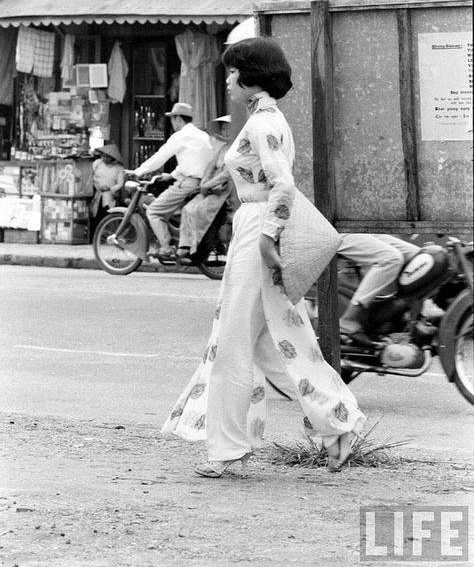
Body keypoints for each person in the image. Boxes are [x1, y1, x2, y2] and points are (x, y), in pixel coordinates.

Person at [162, 37, 366, 477]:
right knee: (273, 338)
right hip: (254, 228)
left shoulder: (262, 124)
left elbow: (283, 185)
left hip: (259, 228)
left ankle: (228, 449)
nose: (229, 78)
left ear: (251, 75)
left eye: (234, 71)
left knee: (234, 340)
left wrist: (269, 238)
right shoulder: (263, 119)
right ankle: (335, 421)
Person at [133, 102, 214, 258]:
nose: (172, 122)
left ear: (177, 118)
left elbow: (159, 157)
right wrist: (171, 175)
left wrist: (138, 171)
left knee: (154, 211)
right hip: (202, 181)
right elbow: (193, 161)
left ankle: (166, 247)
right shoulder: (202, 135)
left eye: (172, 119)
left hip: (188, 183)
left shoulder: (181, 136)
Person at [337, 233, 420, 345]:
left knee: (420, 257)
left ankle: (399, 319)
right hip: (333, 230)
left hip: (359, 229)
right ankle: (348, 320)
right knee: (391, 259)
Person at [176, 114, 232, 260]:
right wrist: (204, 183)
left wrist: (208, 184)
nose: (225, 131)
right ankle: (185, 245)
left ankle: (197, 248)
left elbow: (227, 173)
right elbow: (211, 167)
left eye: (228, 128)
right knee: (188, 208)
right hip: (211, 186)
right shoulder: (222, 148)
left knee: (200, 211)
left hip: (225, 189)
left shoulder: (237, 150)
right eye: (224, 128)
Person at [90, 143, 125, 229]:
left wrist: (110, 189)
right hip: (95, 192)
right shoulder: (97, 163)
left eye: (107, 156)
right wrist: (96, 185)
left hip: (109, 195)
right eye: (103, 156)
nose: (104, 158)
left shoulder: (118, 168)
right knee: (94, 214)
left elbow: (120, 183)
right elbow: (90, 175)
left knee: (106, 213)